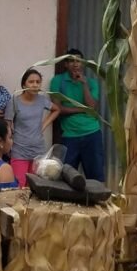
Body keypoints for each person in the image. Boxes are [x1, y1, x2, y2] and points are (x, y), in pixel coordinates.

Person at [50, 49, 105, 181]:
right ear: (65, 64)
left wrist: (84, 84)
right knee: (66, 176)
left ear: (83, 64)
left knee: (95, 176)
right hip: (70, 135)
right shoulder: (58, 81)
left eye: (79, 61)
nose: (75, 64)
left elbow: (91, 106)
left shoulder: (91, 83)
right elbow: (58, 108)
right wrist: (81, 110)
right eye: (71, 61)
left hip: (92, 133)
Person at [5, 69, 60, 187]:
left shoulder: (42, 100)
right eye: (31, 82)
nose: (35, 85)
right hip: (19, 151)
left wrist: (43, 125)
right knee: (19, 187)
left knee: (36, 186)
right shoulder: (14, 101)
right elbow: (8, 125)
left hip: (38, 152)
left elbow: (57, 109)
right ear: (24, 84)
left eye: (38, 82)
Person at [0, 119, 19, 191]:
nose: (12, 142)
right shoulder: (4, 168)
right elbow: (9, 200)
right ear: (0, 142)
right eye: (10, 137)